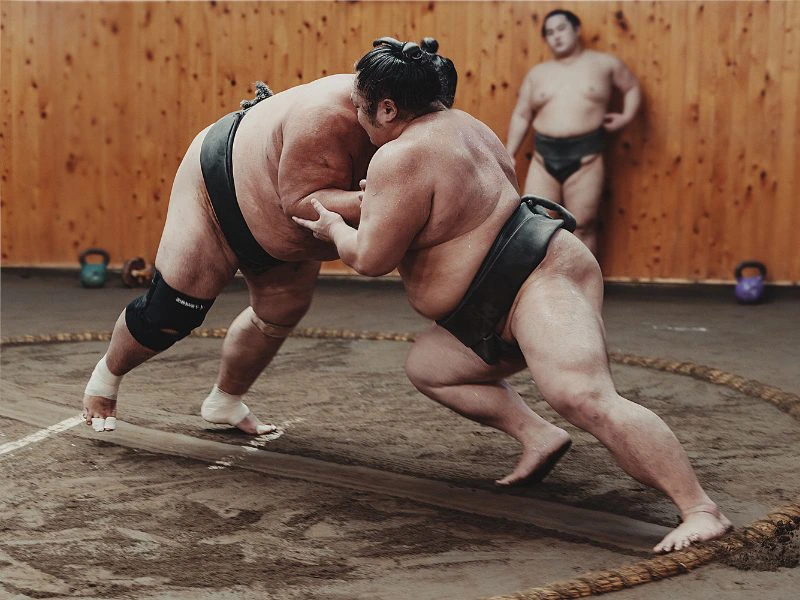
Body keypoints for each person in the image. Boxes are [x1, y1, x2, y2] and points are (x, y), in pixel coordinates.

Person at [294, 40, 732, 553]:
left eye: (358, 102)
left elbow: (368, 259)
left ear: (387, 107)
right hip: (493, 299)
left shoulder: (401, 153)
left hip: (536, 278)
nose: (356, 112)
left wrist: (332, 228)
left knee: (581, 394)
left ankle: (701, 509)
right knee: (431, 367)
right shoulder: (467, 125)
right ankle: (538, 436)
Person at [81, 74, 376, 436]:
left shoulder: (416, 133)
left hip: (280, 225)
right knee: (170, 312)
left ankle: (225, 401)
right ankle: (104, 380)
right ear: (383, 104)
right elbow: (302, 201)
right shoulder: (328, 114)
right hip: (218, 188)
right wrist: (383, 202)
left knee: (279, 311)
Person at [505, 8, 641, 255]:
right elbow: (522, 114)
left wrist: (626, 117)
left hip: (587, 157)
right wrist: (510, 152)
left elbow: (631, 86)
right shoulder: (538, 74)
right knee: (535, 224)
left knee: (583, 226)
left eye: (561, 29)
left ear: (576, 30)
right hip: (543, 158)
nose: (555, 36)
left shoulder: (603, 64)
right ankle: (540, 287)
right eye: (549, 33)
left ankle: (581, 289)